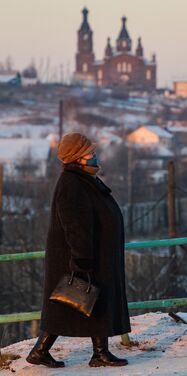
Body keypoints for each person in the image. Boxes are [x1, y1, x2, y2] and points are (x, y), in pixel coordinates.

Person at [26, 132, 130, 368]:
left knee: (88, 302)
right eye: (89, 152)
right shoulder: (72, 183)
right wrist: (81, 259)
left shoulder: (83, 178)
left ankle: (98, 353)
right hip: (81, 256)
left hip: (94, 254)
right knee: (68, 303)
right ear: (77, 157)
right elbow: (75, 225)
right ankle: (44, 351)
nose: (94, 154)